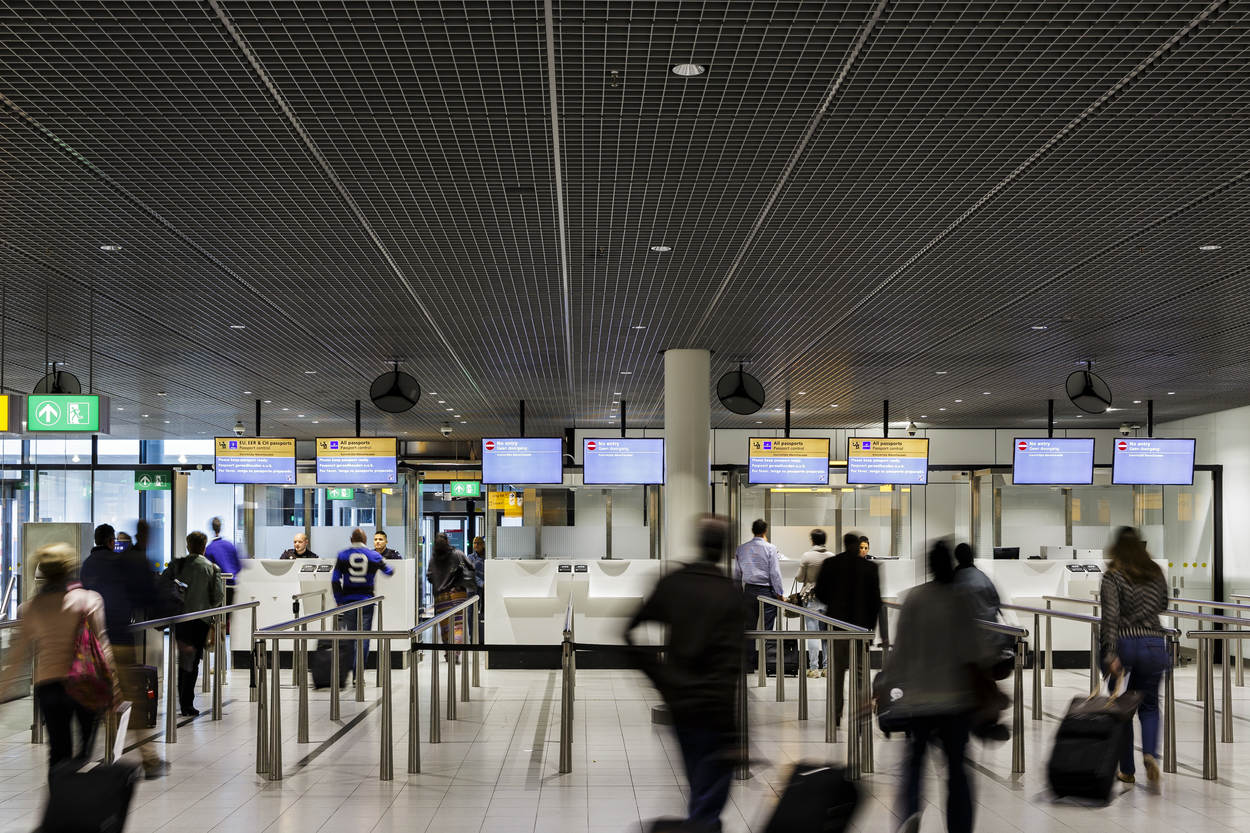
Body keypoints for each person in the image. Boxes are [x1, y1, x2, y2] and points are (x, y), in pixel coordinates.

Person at [626, 516, 744, 833]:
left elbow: (629, 630)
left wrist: (660, 677)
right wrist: (739, 733)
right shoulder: (730, 594)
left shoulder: (675, 583)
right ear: (725, 548)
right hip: (717, 709)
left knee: (699, 785)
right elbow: (732, 665)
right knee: (708, 799)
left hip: (680, 703)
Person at [886, 541, 985, 833]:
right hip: (956, 701)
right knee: (957, 769)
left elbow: (900, 651)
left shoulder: (915, 598)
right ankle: (959, 826)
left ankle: (910, 814)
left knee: (914, 764)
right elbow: (975, 652)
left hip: (918, 700)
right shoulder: (962, 599)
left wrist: (885, 687)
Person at [0, 544, 118, 774]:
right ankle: (78, 783)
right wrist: (114, 682)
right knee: (85, 750)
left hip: (49, 685)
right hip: (84, 682)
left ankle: (59, 789)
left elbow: (17, 656)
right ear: (71, 568)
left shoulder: (31, 608)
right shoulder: (89, 600)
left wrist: (3, 691)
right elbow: (103, 645)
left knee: (58, 751)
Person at [80, 523, 169, 778]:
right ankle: (149, 760)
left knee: (93, 701)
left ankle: (84, 760)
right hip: (117, 640)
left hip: (88, 646)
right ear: (111, 542)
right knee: (132, 700)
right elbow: (141, 595)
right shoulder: (117, 564)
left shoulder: (87, 566)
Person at [1101, 526, 1169, 790]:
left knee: (1122, 708)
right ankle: (1150, 754)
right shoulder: (1155, 572)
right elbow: (1163, 604)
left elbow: (1110, 617)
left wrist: (1110, 652)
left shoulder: (1113, 575)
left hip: (1126, 643)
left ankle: (1127, 770)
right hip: (1154, 643)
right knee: (1149, 705)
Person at [814, 531, 882, 726]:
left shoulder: (831, 564)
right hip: (860, 629)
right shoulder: (869, 568)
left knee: (836, 674)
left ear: (844, 544)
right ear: (857, 545)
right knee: (861, 675)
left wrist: (834, 603)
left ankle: (836, 714)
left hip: (837, 626)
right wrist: (871, 630)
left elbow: (820, 593)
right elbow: (875, 602)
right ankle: (861, 716)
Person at [163, 531, 224, 716]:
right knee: (193, 660)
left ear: (188, 545)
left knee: (183, 658)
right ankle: (187, 703)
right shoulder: (212, 568)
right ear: (204, 547)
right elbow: (218, 597)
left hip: (180, 619)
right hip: (200, 620)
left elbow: (163, 583)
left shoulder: (177, 564)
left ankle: (183, 700)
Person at [332, 528, 394, 675]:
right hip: (367, 601)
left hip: (348, 602)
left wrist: (339, 599)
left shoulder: (342, 555)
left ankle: (345, 671)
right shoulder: (373, 555)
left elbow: (335, 580)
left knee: (350, 637)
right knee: (364, 638)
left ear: (351, 539)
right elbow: (389, 571)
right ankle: (358, 674)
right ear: (365, 540)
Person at [733, 519, 783, 671]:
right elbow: (774, 573)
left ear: (753, 530)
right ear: (765, 531)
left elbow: (737, 574)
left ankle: (748, 665)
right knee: (768, 629)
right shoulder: (770, 548)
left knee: (749, 629)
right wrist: (780, 593)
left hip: (748, 591)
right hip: (767, 591)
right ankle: (768, 664)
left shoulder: (741, 549)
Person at [427, 533, 476, 651]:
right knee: (458, 625)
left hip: (441, 597)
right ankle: (456, 652)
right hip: (458, 594)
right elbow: (470, 567)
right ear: (447, 541)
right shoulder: (458, 554)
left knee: (445, 628)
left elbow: (429, 577)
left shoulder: (433, 559)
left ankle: (449, 652)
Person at [797, 528, 834, 676]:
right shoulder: (831, 556)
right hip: (827, 598)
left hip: (811, 598)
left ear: (812, 540)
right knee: (826, 633)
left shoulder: (807, 556)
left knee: (813, 632)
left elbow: (799, 577)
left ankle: (813, 668)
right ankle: (827, 667)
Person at [205, 517, 242, 602]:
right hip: (231, 586)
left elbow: (208, 571)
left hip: (216, 588)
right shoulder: (230, 545)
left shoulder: (209, 548)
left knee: (217, 609)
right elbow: (238, 566)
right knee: (228, 609)